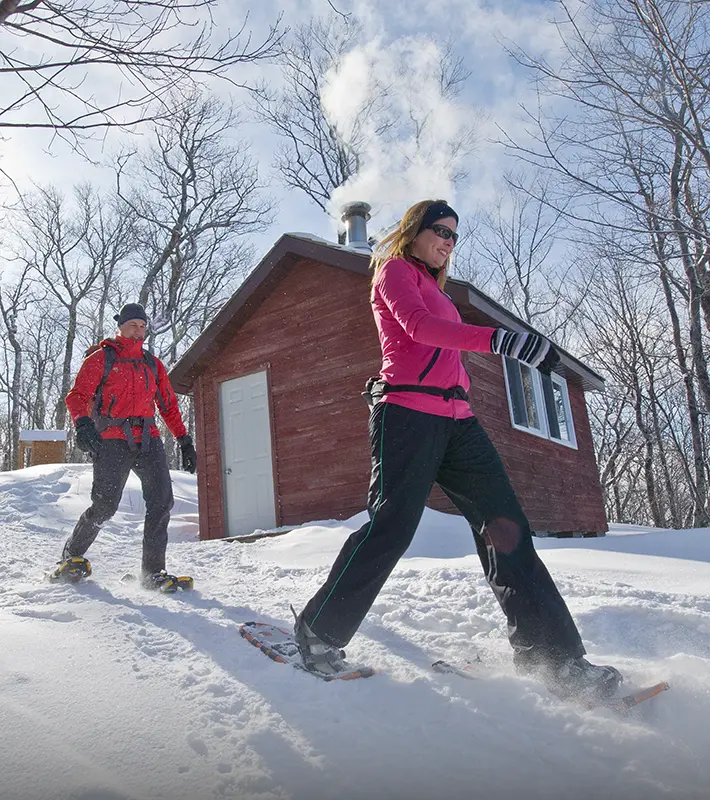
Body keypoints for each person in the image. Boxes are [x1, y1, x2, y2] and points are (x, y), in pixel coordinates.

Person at [293, 200, 622, 699]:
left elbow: (446, 344)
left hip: (458, 420)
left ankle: (553, 660)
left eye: (454, 236)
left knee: (506, 529)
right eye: (440, 231)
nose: (448, 241)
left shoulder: (440, 291)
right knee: (393, 527)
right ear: (415, 232)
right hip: (406, 414)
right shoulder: (395, 271)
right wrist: (502, 341)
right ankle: (318, 631)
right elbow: (420, 331)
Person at [49, 303, 198, 592]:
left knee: (162, 502)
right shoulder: (101, 359)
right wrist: (82, 424)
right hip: (112, 439)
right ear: (121, 326)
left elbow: (168, 406)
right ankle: (72, 556)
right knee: (105, 506)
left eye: (143, 325)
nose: (139, 330)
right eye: (133, 324)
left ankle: (153, 573)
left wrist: (184, 439)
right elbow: (77, 396)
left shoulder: (152, 364)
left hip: (148, 439)